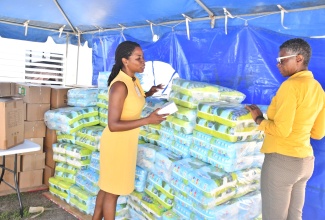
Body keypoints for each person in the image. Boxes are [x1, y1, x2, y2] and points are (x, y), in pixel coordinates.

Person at [245, 38, 325, 220]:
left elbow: (281, 131)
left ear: (298, 58)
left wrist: (258, 119)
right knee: (294, 216)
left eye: (282, 60)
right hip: (305, 162)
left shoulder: (290, 87)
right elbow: (318, 133)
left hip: (282, 163)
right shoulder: (318, 89)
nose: (278, 64)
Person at [92, 41, 168, 220]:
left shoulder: (133, 80)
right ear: (125, 61)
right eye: (138, 58)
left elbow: (136, 98)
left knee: (107, 187)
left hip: (126, 142)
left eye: (143, 57)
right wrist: (148, 120)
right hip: (116, 143)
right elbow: (113, 124)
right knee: (113, 192)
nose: (143, 61)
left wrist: (150, 93)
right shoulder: (120, 85)